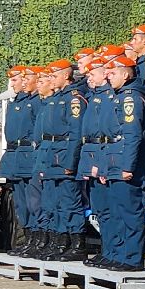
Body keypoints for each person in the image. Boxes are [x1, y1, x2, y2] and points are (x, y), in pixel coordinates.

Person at [80, 56, 145, 271]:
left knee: (128, 212)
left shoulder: (130, 98)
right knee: (111, 212)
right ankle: (114, 254)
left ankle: (131, 259)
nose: (109, 76)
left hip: (122, 163)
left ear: (126, 74)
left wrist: (127, 166)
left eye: (113, 73)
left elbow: (132, 135)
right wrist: (102, 167)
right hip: (111, 161)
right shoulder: (117, 97)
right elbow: (105, 137)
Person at [34, 60, 88, 262]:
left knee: (69, 203)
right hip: (51, 156)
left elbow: (75, 134)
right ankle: (59, 241)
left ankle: (76, 243)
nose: (50, 79)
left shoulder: (74, 99)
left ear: (66, 75)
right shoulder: (55, 99)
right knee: (52, 203)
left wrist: (70, 163)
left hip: (63, 156)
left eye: (54, 75)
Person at [0, 66, 40, 253]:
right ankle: (27, 240)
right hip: (15, 155)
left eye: (16, 80)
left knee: (33, 201)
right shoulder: (17, 101)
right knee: (21, 203)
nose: (13, 84)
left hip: (28, 155)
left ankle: (37, 240)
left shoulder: (35, 102)